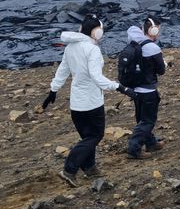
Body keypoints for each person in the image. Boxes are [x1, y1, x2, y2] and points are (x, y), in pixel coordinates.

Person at [41, 14, 136, 187]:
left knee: (87, 136)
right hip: (92, 102)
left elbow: (63, 70)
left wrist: (53, 90)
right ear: (96, 32)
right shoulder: (92, 50)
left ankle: (90, 167)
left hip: (76, 104)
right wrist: (121, 88)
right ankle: (69, 169)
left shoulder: (71, 47)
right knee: (94, 135)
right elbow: (97, 77)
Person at [118, 17, 166, 160]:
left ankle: (151, 142)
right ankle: (134, 148)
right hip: (148, 91)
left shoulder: (135, 43)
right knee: (148, 121)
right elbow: (161, 70)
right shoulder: (152, 48)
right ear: (154, 30)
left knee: (142, 118)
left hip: (135, 90)